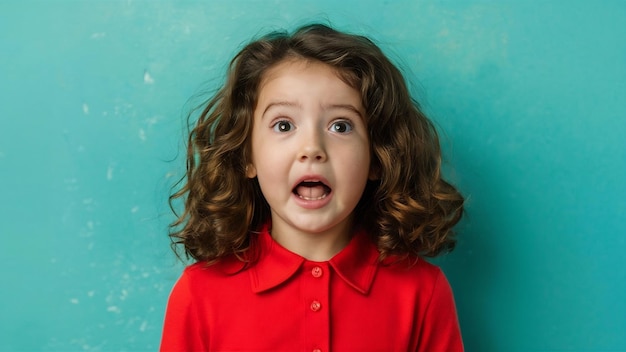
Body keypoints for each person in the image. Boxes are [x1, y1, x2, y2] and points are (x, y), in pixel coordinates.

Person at [161, 23, 465, 352]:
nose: (312, 147)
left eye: (340, 126)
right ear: (247, 156)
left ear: (378, 158)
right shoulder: (199, 293)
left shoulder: (422, 290)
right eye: (283, 125)